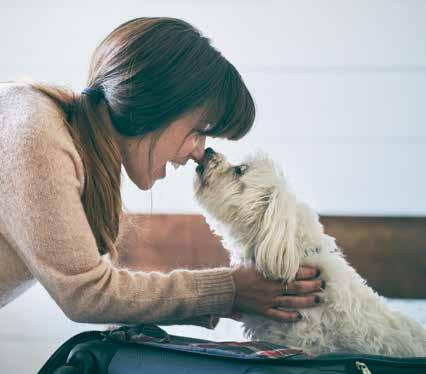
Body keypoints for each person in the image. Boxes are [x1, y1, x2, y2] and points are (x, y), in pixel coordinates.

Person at [0, 17, 324, 329]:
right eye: (199, 129)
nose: (200, 151)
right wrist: (230, 290)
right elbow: (87, 293)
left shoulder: (64, 139)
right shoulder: (35, 132)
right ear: (155, 104)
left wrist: (229, 297)